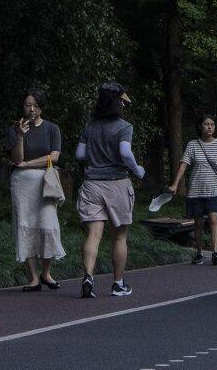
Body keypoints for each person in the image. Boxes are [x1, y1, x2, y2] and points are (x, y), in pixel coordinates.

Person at [74, 81, 145, 299]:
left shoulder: (90, 125)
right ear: (118, 102)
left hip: (92, 184)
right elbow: (125, 152)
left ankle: (88, 277)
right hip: (117, 183)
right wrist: (138, 170)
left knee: (93, 234)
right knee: (119, 237)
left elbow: (79, 155)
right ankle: (117, 283)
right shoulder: (124, 127)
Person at [8, 89, 64, 290]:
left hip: (46, 181)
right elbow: (17, 160)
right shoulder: (16, 129)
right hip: (22, 184)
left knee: (48, 225)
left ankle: (46, 273)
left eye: (35, 105)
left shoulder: (52, 129)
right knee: (25, 225)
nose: (31, 109)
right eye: (27, 105)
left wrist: (28, 164)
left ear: (41, 107)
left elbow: (54, 156)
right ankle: (33, 277)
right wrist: (21, 137)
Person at [168, 114, 217, 265]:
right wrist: (175, 184)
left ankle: (215, 252)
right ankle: (199, 252)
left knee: (213, 219)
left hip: (215, 189)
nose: (210, 127)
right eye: (206, 124)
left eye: (212, 124)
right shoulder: (192, 144)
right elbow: (184, 164)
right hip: (196, 189)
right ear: (200, 126)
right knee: (198, 222)